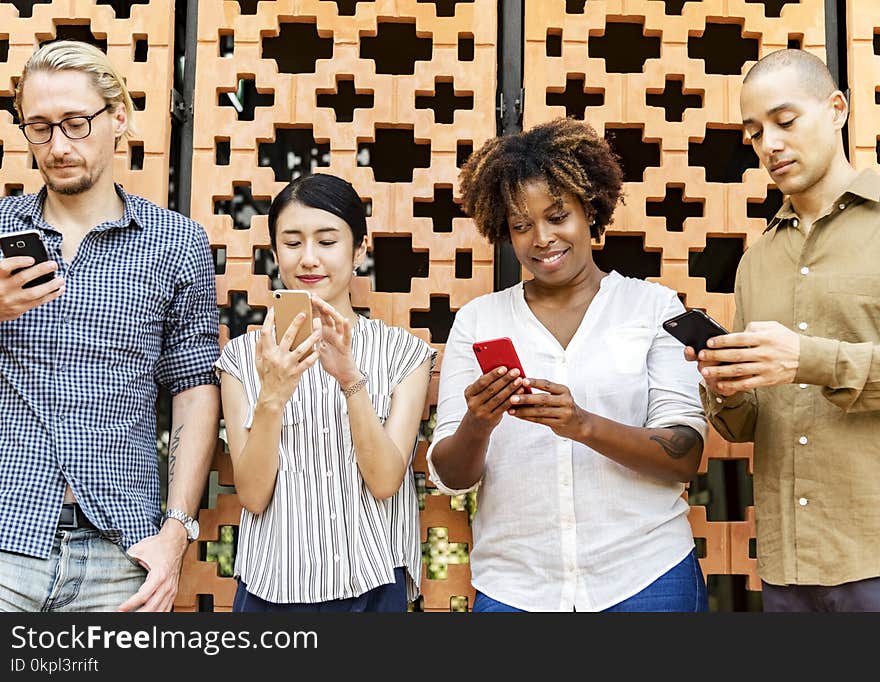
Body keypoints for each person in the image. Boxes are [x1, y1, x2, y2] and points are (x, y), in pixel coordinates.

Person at [426, 117, 709, 612]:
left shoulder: (653, 308)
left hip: (646, 576)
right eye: (521, 225)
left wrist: (582, 425)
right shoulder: (479, 320)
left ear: (590, 211)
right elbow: (452, 475)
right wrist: (477, 423)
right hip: (517, 586)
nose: (542, 238)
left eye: (558, 216)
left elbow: (684, 455)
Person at [0, 40, 220, 612]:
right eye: (39, 127)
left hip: (121, 550)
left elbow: (195, 390)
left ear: (118, 116)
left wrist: (176, 533)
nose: (58, 146)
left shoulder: (178, 242)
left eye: (76, 122)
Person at [686, 48, 880, 612]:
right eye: (754, 132)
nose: (768, 144)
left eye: (784, 121)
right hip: (786, 564)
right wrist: (725, 384)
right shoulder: (758, 259)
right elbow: (747, 426)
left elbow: (805, 363)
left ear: (837, 109)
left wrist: (809, 360)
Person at [215, 172, 434, 612]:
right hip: (271, 586)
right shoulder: (242, 358)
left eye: (327, 241)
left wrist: (351, 380)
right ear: (275, 252)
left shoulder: (404, 353)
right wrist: (273, 394)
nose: (309, 259)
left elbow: (386, 481)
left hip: (372, 581)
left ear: (359, 248)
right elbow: (254, 495)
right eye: (292, 243)